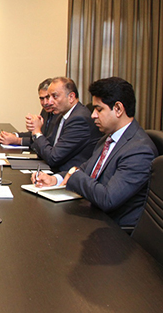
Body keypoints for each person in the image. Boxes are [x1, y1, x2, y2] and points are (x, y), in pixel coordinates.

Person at [32, 77, 157, 227]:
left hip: (112, 229)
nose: (93, 115)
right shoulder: (107, 138)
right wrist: (55, 179)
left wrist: (74, 176)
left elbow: (108, 199)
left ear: (118, 109)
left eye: (99, 109)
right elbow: (85, 169)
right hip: (93, 214)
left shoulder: (139, 150)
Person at [27, 77, 102, 172]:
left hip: (68, 175)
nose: (49, 102)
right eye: (49, 97)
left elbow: (53, 158)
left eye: (55, 96)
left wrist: (37, 132)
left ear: (71, 97)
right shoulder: (62, 115)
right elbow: (49, 145)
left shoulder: (79, 119)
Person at [0, 78, 61, 146]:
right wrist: (14, 135)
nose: (45, 102)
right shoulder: (45, 111)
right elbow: (35, 135)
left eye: (48, 97)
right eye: (42, 99)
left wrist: (17, 140)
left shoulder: (60, 114)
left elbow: (47, 142)